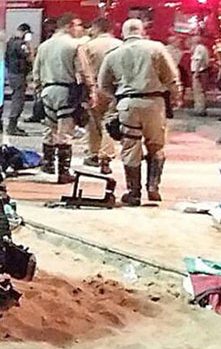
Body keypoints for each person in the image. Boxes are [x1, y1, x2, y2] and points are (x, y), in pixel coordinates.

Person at [98, 18, 182, 206]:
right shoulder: (157, 48)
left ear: (124, 33)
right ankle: (153, 187)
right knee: (156, 146)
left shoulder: (114, 54)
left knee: (131, 148)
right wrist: (176, 97)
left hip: (128, 104)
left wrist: (118, 97)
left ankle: (133, 193)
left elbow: (102, 84)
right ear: (142, 31)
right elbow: (172, 77)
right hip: (154, 103)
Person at [32, 13, 95, 184]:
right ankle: (63, 172)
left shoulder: (44, 46)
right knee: (65, 132)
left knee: (50, 129)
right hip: (66, 92)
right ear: (69, 26)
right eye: (78, 25)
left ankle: (48, 164)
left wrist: (38, 90)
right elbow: (83, 71)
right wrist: (90, 91)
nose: (80, 29)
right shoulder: (74, 46)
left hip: (47, 91)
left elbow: (36, 71)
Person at [83, 18, 122, 174]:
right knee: (110, 121)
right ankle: (106, 155)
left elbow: (83, 69)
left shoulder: (88, 46)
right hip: (116, 89)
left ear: (96, 28)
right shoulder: (121, 45)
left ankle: (94, 153)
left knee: (93, 122)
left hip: (95, 88)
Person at [5, 23, 33, 136]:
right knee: (18, 100)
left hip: (12, 73)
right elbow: (28, 56)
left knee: (16, 97)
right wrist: (29, 43)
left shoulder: (10, 42)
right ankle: (12, 126)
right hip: (19, 74)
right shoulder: (21, 44)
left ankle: (11, 125)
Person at [190, 35, 210, 116]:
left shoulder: (199, 48)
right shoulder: (203, 48)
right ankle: (201, 108)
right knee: (201, 91)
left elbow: (198, 61)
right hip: (202, 72)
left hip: (199, 72)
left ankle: (200, 109)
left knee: (198, 91)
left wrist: (196, 73)